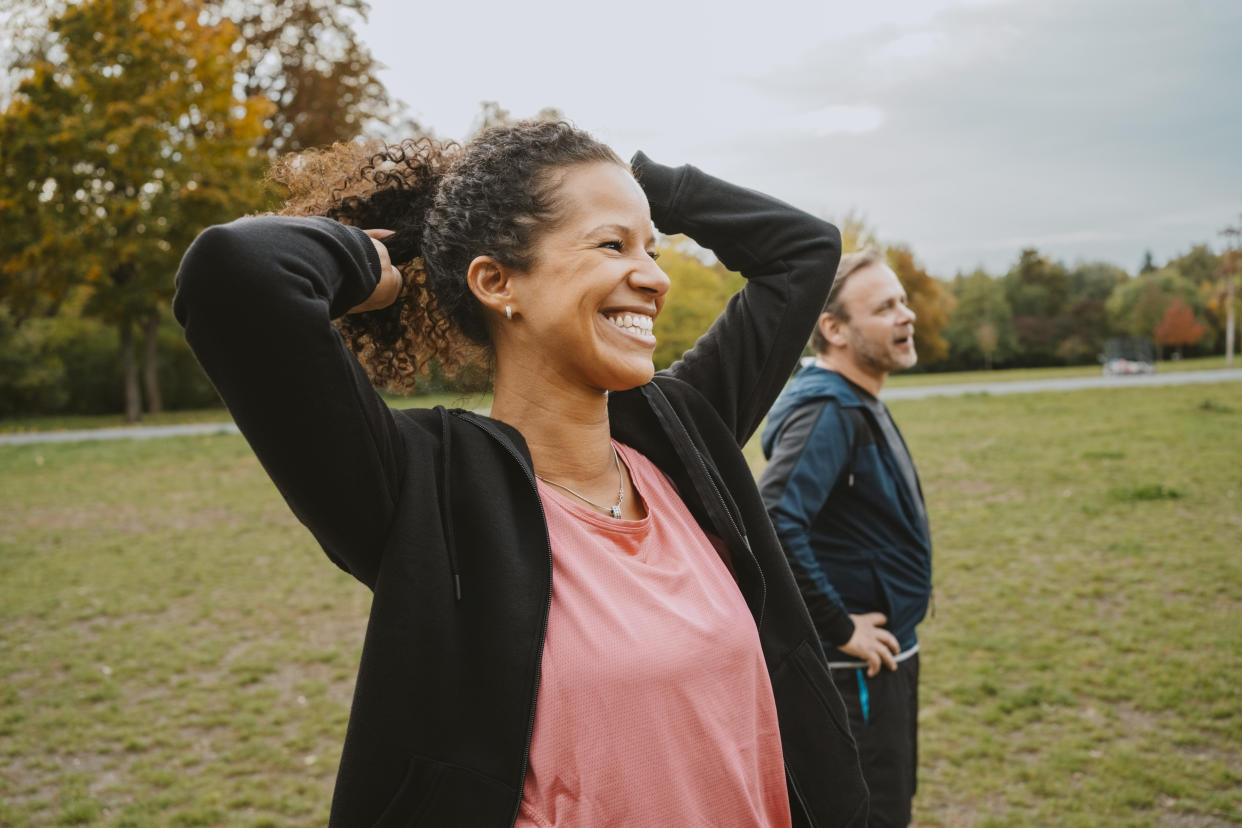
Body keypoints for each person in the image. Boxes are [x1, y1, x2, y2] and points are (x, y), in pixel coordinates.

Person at [175, 120, 868, 826]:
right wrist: (380, 254)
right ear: (497, 281)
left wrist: (640, 183)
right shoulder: (424, 491)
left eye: (652, 248)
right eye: (612, 245)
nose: (656, 277)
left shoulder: (682, 435)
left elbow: (804, 251)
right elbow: (234, 272)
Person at [757, 248, 932, 827]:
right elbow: (776, 519)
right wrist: (840, 627)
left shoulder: (857, 397)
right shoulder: (830, 408)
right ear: (833, 329)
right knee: (871, 815)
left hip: (884, 656)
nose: (906, 315)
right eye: (885, 307)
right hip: (854, 666)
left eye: (902, 300)